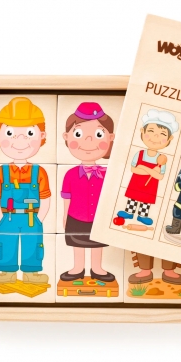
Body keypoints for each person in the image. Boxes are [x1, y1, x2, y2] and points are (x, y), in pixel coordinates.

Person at [0, 97, 51, 284]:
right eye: (10, 133)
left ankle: (31, 272)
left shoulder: (39, 172)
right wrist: (0, 217)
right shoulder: (1, 171)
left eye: (30, 133)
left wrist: (40, 218)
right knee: (6, 243)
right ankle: (7, 272)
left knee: (32, 243)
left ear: (42, 136)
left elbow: (45, 198)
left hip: (32, 216)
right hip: (7, 216)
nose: (21, 140)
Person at [59, 102, 116, 282]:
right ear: (66, 136)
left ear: (111, 137)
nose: (89, 141)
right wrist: (65, 217)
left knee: (97, 244)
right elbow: (66, 198)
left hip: (99, 217)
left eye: (99, 134)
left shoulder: (107, 174)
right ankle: (78, 267)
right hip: (76, 217)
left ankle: (97, 268)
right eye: (79, 134)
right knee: (78, 243)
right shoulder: (70, 174)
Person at [117, 109, 178, 226]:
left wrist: (144, 168)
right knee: (133, 197)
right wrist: (151, 171)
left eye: (163, 134)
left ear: (169, 139)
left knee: (146, 200)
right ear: (142, 131)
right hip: (136, 183)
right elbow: (134, 169)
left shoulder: (161, 159)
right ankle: (129, 212)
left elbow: (160, 176)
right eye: (151, 131)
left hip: (150, 186)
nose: (156, 136)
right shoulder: (139, 154)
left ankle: (142, 216)